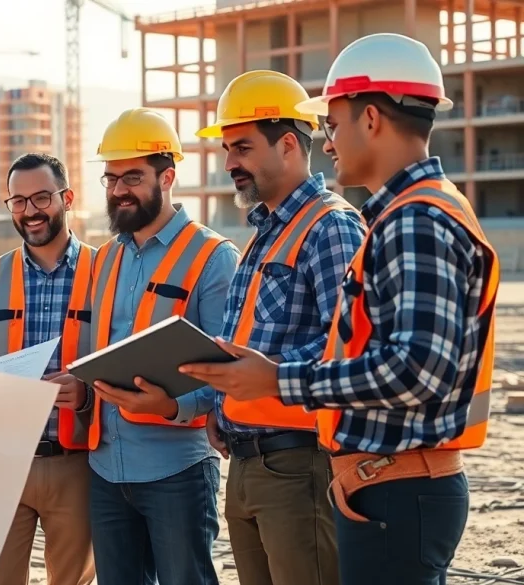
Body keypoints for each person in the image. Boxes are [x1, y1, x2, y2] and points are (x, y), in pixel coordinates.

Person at [181, 33, 500, 585]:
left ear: (370, 118)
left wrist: (278, 380)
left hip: (398, 486)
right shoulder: (407, 214)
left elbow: (419, 370)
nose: (326, 143)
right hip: (385, 482)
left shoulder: (415, 220)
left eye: (331, 124)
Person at [194, 70, 366, 585]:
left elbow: (349, 343)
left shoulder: (330, 226)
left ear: (288, 144)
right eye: (227, 150)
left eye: (242, 148)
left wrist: (266, 379)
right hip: (245, 462)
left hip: (299, 465)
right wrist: (221, 405)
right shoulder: (265, 234)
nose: (230, 164)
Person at [82, 107, 240, 585]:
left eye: (132, 177)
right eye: (110, 179)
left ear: (167, 176)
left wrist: (172, 406)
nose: (118, 190)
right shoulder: (104, 257)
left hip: (177, 470)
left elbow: (229, 373)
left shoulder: (213, 258)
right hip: (106, 467)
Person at [0, 153, 96, 585]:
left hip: (76, 463)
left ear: (66, 198)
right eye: (18, 201)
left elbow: (124, 362)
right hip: (2, 463)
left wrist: (87, 393)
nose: (30, 211)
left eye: (40, 198)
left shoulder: (103, 271)